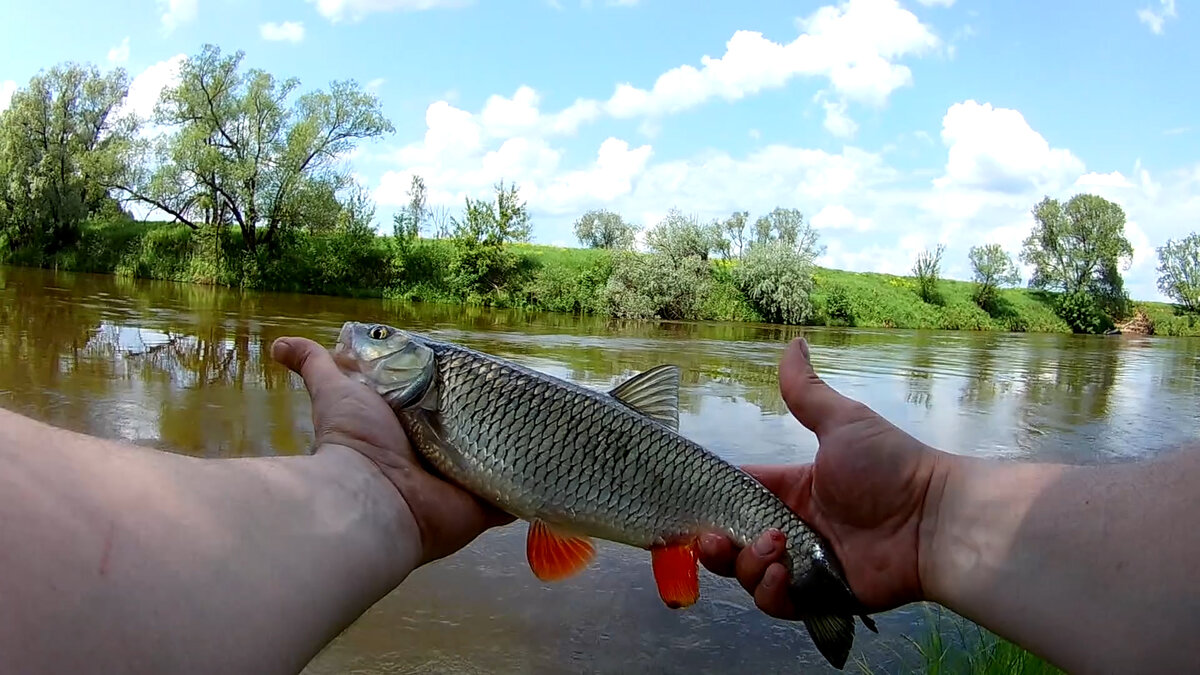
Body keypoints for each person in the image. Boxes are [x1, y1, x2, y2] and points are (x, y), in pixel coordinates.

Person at [0, 335, 1196, 673]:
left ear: (420, 365)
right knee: (569, 541)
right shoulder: (430, 400)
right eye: (366, 350)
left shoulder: (445, 382)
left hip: (666, 496)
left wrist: (929, 514)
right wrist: (371, 490)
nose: (364, 356)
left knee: (704, 539)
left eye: (382, 347)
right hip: (602, 487)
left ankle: (832, 595)